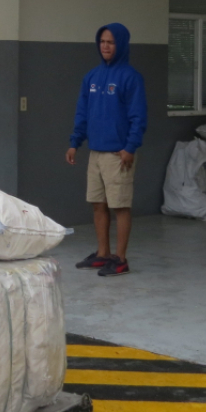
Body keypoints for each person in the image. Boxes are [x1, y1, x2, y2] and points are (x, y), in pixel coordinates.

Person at [65, 23, 147, 278]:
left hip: (118, 154)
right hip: (96, 152)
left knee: (120, 206)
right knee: (98, 204)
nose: (105, 47)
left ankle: (120, 259)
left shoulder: (130, 77)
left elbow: (138, 116)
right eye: (102, 42)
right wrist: (75, 142)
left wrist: (130, 147)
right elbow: (83, 113)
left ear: (120, 44)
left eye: (110, 42)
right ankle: (103, 254)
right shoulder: (91, 77)